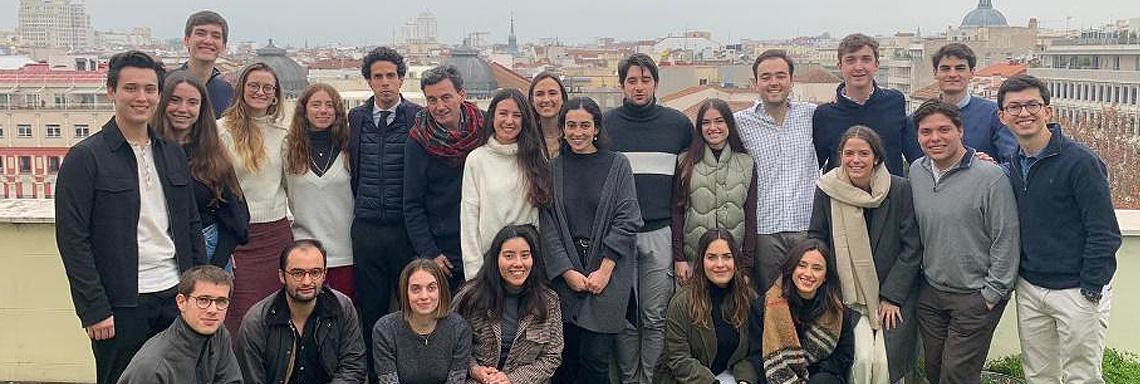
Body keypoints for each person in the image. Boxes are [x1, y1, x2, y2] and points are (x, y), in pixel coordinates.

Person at [55, 51, 203, 384]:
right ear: (112, 91)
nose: (141, 97)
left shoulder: (171, 153)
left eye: (150, 89)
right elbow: (73, 240)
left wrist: (197, 290)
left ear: (159, 95)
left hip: (174, 294)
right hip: (121, 303)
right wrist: (94, 309)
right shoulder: (85, 158)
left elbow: (190, 225)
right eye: (131, 88)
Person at [998, 75, 1122, 384]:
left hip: (1077, 289)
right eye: (1014, 107)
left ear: (1048, 111)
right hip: (1031, 287)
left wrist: (1091, 287)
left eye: (1032, 105)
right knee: (1039, 375)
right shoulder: (1013, 164)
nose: (1024, 113)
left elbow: (1105, 232)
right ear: (1002, 117)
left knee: (1082, 377)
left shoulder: (1080, 162)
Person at [910, 99, 1020, 384]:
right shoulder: (917, 171)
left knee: (957, 375)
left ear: (960, 131)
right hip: (932, 292)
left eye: (944, 129)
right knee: (934, 371)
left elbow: (1006, 237)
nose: (935, 138)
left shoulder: (991, 177)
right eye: (926, 132)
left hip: (975, 295)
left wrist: (992, 294)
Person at [604, 52, 694, 384]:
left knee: (655, 316)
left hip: (660, 232)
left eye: (645, 80)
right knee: (626, 318)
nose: (638, 87)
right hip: (619, 236)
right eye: (631, 81)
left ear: (656, 83)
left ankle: (651, 379)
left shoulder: (678, 125)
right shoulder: (605, 125)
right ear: (621, 85)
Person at [808, 126, 922, 383]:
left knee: (883, 362)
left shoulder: (899, 189)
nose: (855, 160)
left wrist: (892, 296)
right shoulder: (827, 189)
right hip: (847, 295)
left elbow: (912, 247)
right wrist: (830, 288)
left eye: (864, 153)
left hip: (893, 294)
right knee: (861, 359)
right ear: (840, 156)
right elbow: (817, 238)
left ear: (877, 157)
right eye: (849, 153)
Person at [542, 97, 643, 384]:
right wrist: (567, 272)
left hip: (608, 276)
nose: (578, 132)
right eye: (571, 125)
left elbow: (628, 218)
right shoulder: (553, 168)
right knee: (565, 362)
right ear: (562, 129)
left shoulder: (618, 165)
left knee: (596, 361)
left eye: (585, 125)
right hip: (565, 280)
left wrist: (604, 270)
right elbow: (547, 225)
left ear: (597, 128)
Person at [347, 46, 423, 382]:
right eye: (378, 76)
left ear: (402, 79)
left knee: (411, 307)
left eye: (391, 76)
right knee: (372, 311)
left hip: (404, 229)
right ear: (369, 81)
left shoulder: (418, 117)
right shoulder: (356, 118)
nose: (385, 82)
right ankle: (377, 376)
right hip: (366, 229)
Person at [219, 62, 294, 334]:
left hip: (276, 234)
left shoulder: (283, 133)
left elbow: (289, 185)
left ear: (275, 95)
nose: (260, 92)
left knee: (276, 314)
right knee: (238, 316)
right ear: (242, 89)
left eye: (267, 88)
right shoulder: (221, 131)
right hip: (237, 236)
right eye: (254, 86)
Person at [734, 49, 819, 290]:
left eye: (780, 76)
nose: (774, 82)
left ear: (791, 80)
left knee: (808, 297)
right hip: (764, 230)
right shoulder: (740, 122)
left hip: (806, 226)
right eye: (766, 77)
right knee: (770, 300)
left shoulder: (812, 115)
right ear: (755, 83)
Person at [154, 71, 249, 270]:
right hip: (158, 252)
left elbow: (237, 217)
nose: (183, 109)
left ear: (201, 108)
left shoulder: (212, 154)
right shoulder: (147, 150)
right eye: (175, 100)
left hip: (208, 251)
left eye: (192, 102)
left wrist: (214, 266)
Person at [236, 240, 366, 383]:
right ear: (282, 276)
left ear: (324, 274)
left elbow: (353, 367)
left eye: (315, 272)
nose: (307, 281)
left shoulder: (341, 306)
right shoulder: (257, 321)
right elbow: (251, 379)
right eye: (297, 273)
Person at [405, 65, 484, 290]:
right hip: (444, 255)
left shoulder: (485, 127)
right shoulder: (418, 140)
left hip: (483, 244)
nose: (439, 106)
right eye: (432, 100)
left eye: (446, 97)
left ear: (462, 95)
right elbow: (412, 204)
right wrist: (430, 253)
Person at [454, 224, 564, 384]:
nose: (518, 263)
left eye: (525, 255)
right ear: (495, 258)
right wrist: (474, 369)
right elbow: (452, 343)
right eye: (509, 256)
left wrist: (512, 379)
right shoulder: (471, 296)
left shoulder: (549, 301)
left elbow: (552, 356)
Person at [461, 89, 551, 279]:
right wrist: (473, 272)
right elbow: (469, 219)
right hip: (489, 263)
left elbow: (542, 216)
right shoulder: (477, 160)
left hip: (527, 262)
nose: (509, 121)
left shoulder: (536, 157)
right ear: (492, 116)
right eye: (503, 113)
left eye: (516, 115)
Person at [671, 98, 757, 287]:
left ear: (729, 124)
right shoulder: (685, 162)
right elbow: (677, 212)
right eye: (706, 123)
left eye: (719, 121)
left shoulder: (746, 163)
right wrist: (679, 258)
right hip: (694, 258)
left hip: (732, 260)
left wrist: (747, 265)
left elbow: (750, 216)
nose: (713, 128)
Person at [656, 229, 759, 384]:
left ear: (736, 261)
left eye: (727, 257)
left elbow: (753, 351)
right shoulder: (681, 302)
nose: (720, 264)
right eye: (711, 257)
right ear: (701, 261)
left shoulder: (748, 298)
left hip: (731, 376)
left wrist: (745, 380)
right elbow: (678, 358)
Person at [814, 33, 922, 176]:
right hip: (842, 190)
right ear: (840, 66)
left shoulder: (895, 102)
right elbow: (813, 165)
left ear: (876, 65)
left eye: (866, 59)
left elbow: (916, 158)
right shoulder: (825, 115)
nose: (858, 67)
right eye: (850, 60)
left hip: (890, 190)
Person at [285, 83, 356, 298]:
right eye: (316, 104)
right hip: (304, 253)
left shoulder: (350, 148)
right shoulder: (287, 149)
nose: (323, 110)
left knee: (343, 312)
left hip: (346, 252)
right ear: (304, 110)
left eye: (329, 105)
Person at [750, 239, 855, 384]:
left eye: (817, 268)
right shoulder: (763, 307)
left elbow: (843, 356)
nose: (808, 273)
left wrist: (808, 375)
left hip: (822, 377)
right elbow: (756, 355)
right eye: (802, 265)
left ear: (825, 276)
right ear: (792, 268)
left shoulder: (837, 311)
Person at [117, 266, 242, 383]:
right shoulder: (153, 367)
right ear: (181, 302)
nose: (213, 310)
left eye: (221, 301)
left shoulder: (218, 334)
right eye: (203, 300)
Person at [909, 43, 1016, 161]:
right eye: (945, 69)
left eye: (960, 68)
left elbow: (1012, 162)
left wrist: (990, 166)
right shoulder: (918, 119)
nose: (952, 74)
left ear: (972, 72)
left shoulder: (994, 114)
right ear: (935, 73)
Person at [372, 259, 473, 384]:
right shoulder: (385, 329)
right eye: (416, 289)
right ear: (405, 292)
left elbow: (456, 381)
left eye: (431, 288)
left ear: (441, 290)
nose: (424, 296)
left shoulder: (459, 328)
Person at [180, 10, 233, 118]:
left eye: (216, 36)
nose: (208, 41)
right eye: (201, 33)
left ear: (223, 46)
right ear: (186, 40)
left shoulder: (229, 92)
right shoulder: (166, 85)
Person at [528, 72, 569, 157]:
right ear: (532, 101)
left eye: (552, 93)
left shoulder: (574, 135)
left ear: (562, 98)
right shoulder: (525, 138)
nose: (546, 99)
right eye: (540, 94)